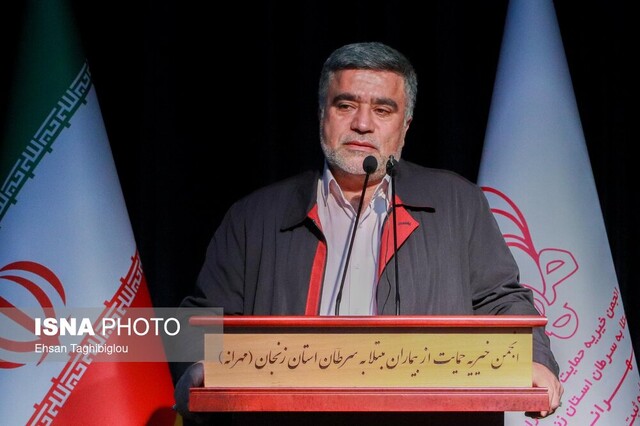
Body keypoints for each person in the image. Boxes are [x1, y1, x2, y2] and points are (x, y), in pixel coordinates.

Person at [174, 41, 563, 423]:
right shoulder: (253, 217)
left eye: (382, 109)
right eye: (345, 105)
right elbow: (201, 317)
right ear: (322, 115)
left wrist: (534, 360)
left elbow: (502, 301)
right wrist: (197, 366)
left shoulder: (458, 203)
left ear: (405, 126)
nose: (362, 124)